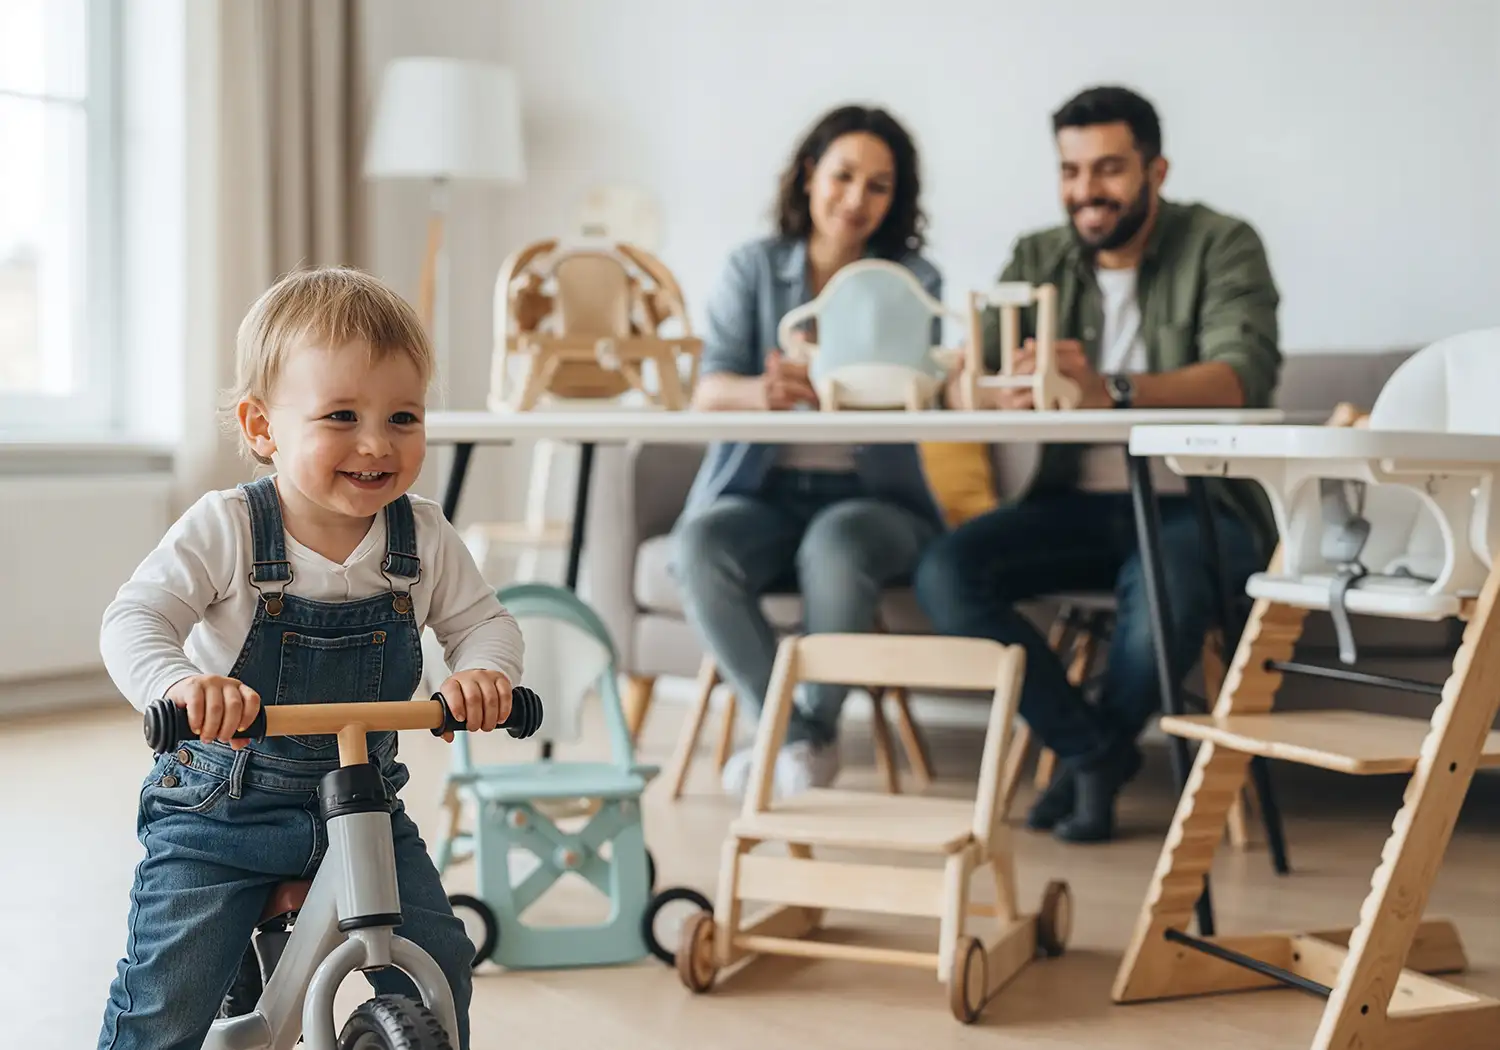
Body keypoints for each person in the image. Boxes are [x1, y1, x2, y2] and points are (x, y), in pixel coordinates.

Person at [94, 266, 524, 1050]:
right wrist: (183, 685)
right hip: (221, 812)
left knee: (442, 962)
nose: (376, 443)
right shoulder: (228, 526)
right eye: (341, 416)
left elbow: (483, 621)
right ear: (263, 428)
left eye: (403, 417)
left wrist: (482, 673)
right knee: (167, 998)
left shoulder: (421, 535)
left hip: (365, 806)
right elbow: (136, 617)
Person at [915, 85, 1281, 844]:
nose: (1087, 191)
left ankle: (1088, 759)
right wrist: (982, 388)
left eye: (1109, 168)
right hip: (1072, 504)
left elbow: (1237, 377)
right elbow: (964, 370)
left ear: (1157, 170)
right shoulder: (1037, 255)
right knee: (945, 575)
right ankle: (1095, 752)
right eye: (1071, 170)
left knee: (1164, 601)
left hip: (1195, 502)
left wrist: (1106, 389)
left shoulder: (1223, 242)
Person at [673, 104, 947, 798]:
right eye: (843, 175)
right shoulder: (754, 268)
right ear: (808, 176)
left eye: (878, 185)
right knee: (699, 546)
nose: (856, 199)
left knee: (836, 542)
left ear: (896, 199)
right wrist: (762, 392)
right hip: (760, 497)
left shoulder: (915, 281)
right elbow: (708, 391)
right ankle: (799, 739)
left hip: (873, 502)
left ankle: (796, 739)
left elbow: (927, 392)